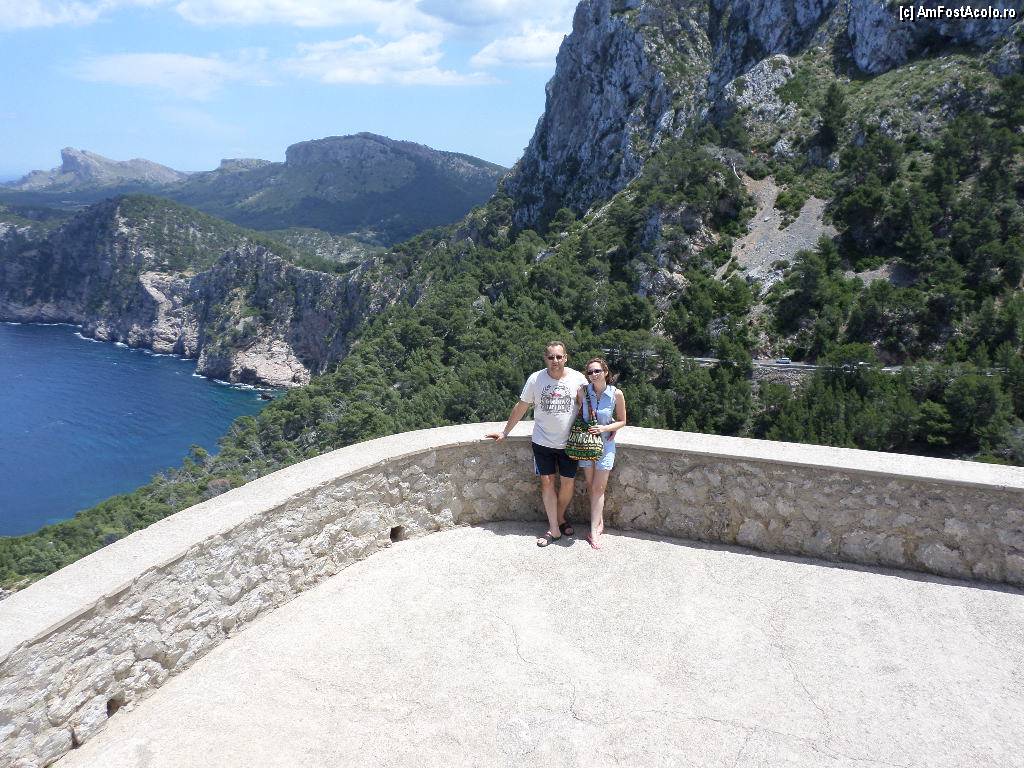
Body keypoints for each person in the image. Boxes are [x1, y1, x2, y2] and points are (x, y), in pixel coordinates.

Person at [485, 341, 587, 546]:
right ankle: (554, 528)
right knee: (547, 482)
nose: (555, 360)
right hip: (542, 441)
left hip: (570, 443)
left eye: (559, 357)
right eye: (551, 357)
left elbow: (589, 406)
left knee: (568, 483)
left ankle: (559, 518)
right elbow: (522, 406)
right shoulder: (536, 379)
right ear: (545, 359)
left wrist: (606, 425)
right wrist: (505, 432)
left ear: (566, 358)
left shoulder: (578, 379)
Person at [576, 357, 627, 549]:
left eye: (597, 371)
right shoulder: (582, 391)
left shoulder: (616, 394)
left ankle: (593, 531)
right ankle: (599, 521)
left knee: (598, 488)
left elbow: (622, 421)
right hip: (587, 444)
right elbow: (579, 414)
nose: (593, 375)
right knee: (591, 486)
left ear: (606, 372)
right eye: (590, 372)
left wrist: (607, 428)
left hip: (605, 445)